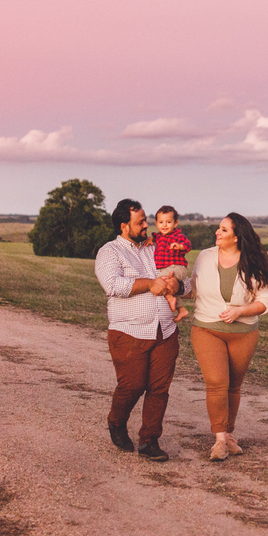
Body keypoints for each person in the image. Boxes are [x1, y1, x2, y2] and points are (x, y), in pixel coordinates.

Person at [94, 198, 189, 462]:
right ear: (124, 226)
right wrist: (149, 283)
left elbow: (186, 280)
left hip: (165, 331)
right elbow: (112, 285)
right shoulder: (110, 252)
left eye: (146, 220)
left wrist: (179, 287)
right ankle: (116, 421)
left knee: (159, 388)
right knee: (133, 385)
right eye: (140, 222)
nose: (147, 225)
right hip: (129, 332)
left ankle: (149, 440)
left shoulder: (157, 246)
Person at [187, 212, 268, 461]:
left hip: (244, 333)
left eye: (223, 229)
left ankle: (228, 434)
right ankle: (219, 441)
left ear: (237, 237)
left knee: (234, 386)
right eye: (219, 228)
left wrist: (240, 311)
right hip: (206, 328)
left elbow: (264, 301)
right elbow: (192, 288)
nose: (217, 232)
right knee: (217, 382)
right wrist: (173, 286)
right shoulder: (205, 256)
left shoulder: (254, 261)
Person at [153, 206, 191, 322]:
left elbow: (187, 245)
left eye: (168, 222)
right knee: (169, 287)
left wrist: (180, 246)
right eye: (161, 222)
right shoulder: (158, 237)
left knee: (159, 281)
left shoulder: (177, 236)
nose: (164, 225)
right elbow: (152, 237)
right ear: (156, 224)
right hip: (168, 268)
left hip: (177, 267)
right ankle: (181, 309)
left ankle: (170, 298)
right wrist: (150, 239)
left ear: (175, 223)